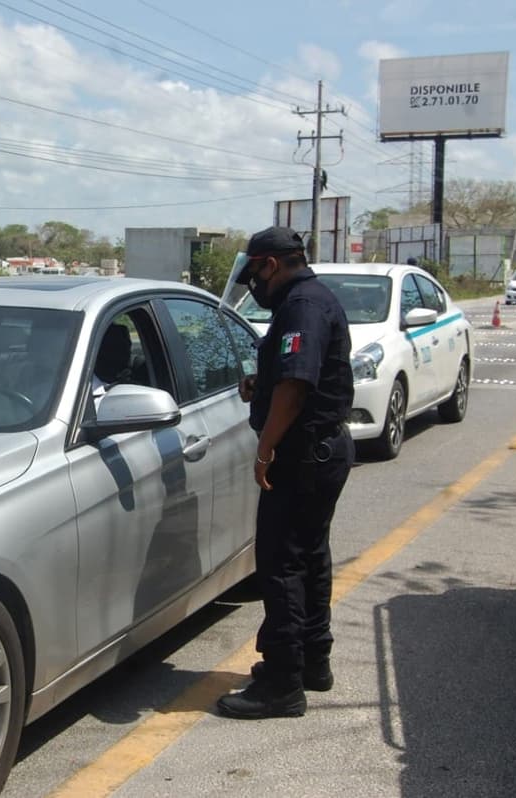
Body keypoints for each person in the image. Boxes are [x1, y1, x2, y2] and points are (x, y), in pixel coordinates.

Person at [217, 226, 356, 720]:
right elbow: (294, 374)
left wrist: (265, 450)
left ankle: (281, 684)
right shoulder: (310, 300)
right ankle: (312, 663)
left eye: (254, 270)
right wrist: (264, 381)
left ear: (270, 265)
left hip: (302, 456)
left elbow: (297, 387)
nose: (252, 280)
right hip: (321, 451)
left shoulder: (301, 306)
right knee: (310, 558)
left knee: (281, 566)